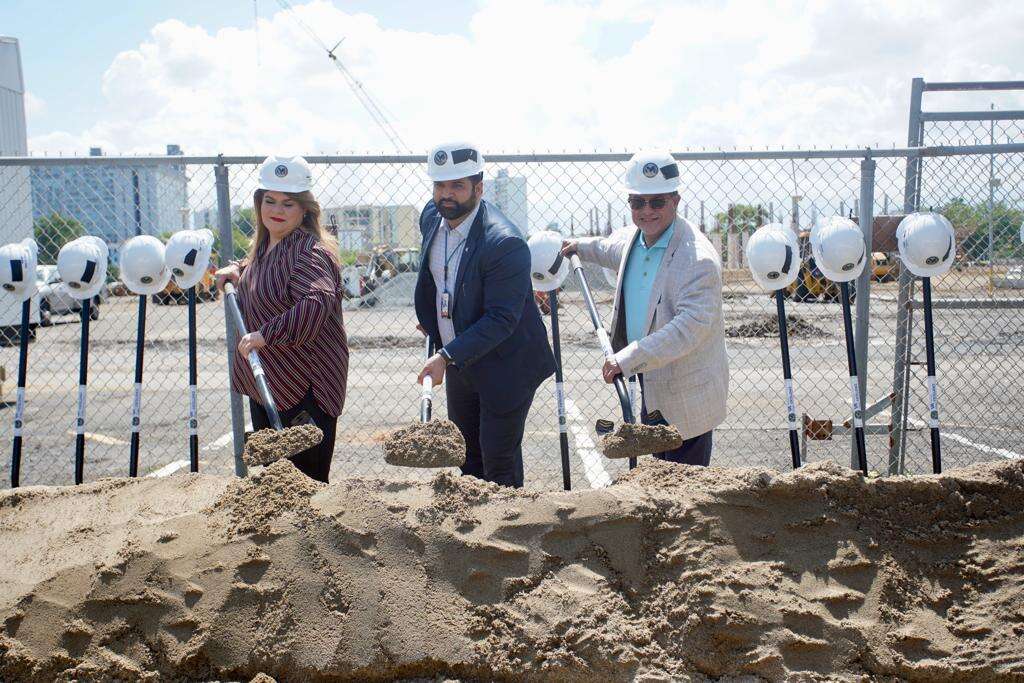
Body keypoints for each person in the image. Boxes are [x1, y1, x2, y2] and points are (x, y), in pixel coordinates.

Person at [562, 150, 728, 465]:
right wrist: (578, 247)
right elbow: (608, 248)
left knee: (684, 488)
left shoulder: (698, 260)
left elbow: (687, 329)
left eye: (657, 202)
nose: (647, 211)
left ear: (676, 201)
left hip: (687, 393)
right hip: (652, 384)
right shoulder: (636, 239)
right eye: (638, 203)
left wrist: (626, 358)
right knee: (657, 473)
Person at [414, 142, 555, 488]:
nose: (447, 195)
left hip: (506, 365)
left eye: (457, 186)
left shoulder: (504, 242)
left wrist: (445, 356)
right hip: (463, 358)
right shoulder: (432, 218)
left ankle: (510, 533)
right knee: (466, 457)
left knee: (498, 462)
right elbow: (439, 280)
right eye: (440, 186)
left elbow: (501, 319)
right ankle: (474, 536)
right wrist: (435, 321)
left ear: (479, 188)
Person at [215, 155, 347, 482]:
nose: (277, 209)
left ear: (305, 209)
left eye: (288, 203)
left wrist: (265, 335)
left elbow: (318, 301)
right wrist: (239, 269)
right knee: (277, 481)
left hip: (306, 388)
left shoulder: (310, 252)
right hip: (268, 382)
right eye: (269, 200)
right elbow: (264, 276)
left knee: (305, 482)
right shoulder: (265, 247)